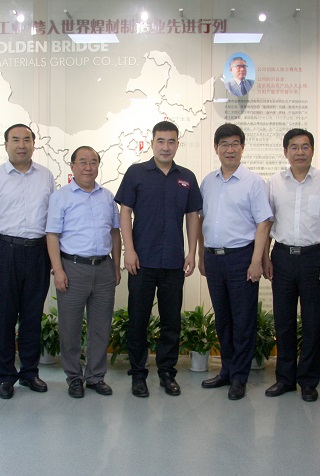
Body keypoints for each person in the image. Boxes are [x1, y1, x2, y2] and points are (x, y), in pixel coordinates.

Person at [115, 121, 202, 398]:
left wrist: (191, 252)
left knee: (171, 322)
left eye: (171, 141)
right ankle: (138, 374)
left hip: (173, 262)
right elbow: (125, 212)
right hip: (141, 261)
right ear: (152, 143)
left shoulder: (187, 177)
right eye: (161, 141)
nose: (166, 147)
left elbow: (192, 216)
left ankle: (167, 373)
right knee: (138, 321)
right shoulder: (136, 173)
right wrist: (129, 250)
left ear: (177, 144)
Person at [263, 128, 320, 403]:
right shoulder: (274, 182)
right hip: (282, 256)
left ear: (312, 150)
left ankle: (308, 381)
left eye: (305, 146)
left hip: (314, 258)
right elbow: (267, 222)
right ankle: (284, 379)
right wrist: (264, 257)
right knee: (283, 321)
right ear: (285, 152)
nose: (299, 152)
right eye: (294, 147)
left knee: (312, 321)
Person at [0, 123, 53, 400]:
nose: (22, 145)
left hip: (38, 252)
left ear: (34, 144)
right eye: (16, 140)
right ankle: (6, 376)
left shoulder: (46, 176)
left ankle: (30, 372)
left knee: (32, 316)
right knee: (5, 317)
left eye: (27, 140)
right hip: (4, 251)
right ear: (6, 144)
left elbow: (53, 221)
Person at [198, 123, 272, 400]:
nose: (229, 149)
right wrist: (201, 255)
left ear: (242, 147)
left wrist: (256, 261)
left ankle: (239, 377)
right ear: (216, 148)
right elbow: (201, 221)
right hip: (213, 258)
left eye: (234, 144)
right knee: (223, 318)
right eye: (224, 144)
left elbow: (263, 224)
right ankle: (227, 371)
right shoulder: (208, 182)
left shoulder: (253, 182)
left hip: (242, 257)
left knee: (243, 320)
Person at [46, 146, 121, 398]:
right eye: (83, 162)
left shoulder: (107, 197)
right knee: (70, 328)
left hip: (104, 269)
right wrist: (58, 270)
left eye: (93, 162)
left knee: (101, 327)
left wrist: (116, 265)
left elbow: (115, 232)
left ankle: (96, 377)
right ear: (72, 166)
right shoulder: (61, 197)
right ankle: (74, 377)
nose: (88, 167)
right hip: (72, 268)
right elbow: (52, 235)